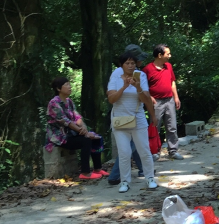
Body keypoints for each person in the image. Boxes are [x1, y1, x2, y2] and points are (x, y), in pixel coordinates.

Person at [107, 51, 158, 192]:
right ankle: (124, 181)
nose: (130, 66)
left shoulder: (140, 76)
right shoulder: (116, 76)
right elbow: (111, 99)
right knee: (124, 152)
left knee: (144, 150)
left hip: (138, 118)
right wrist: (123, 87)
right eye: (127, 63)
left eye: (133, 63)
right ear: (121, 65)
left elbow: (146, 99)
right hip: (119, 119)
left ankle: (150, 178)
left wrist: (138, 87)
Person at [45, 77, 106, 180]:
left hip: (72, 133)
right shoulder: (54, 103)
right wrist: (83, 133)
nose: (70, 87)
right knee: (86, 140)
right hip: (60, 136)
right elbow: (65, 121)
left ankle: (97, 169)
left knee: (96, 137)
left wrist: (84, 129)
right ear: (59, 89)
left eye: (69, 84)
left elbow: (77, 117)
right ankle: (85, 173)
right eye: (67, 85)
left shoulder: (69, 101)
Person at [143, 43, 183, 160]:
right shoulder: (147, 69)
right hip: (156, 102)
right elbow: (142, 86)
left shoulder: (168, 66)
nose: (170, 56)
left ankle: (173, 150)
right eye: (168, 53)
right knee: (155, 126)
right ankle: (154, 152)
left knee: (172, 126)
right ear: (160, 55)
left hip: (169, 99)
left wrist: (176, 97)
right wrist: (149, 97)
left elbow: (172, 82)